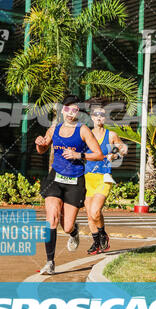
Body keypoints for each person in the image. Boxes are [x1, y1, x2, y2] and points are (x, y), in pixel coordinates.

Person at [35, 94, 103, 275]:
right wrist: (40, 144)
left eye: (74, 110)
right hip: (55, 178)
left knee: (66, 226)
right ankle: (50, 262)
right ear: (61, 110)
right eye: (67, 109)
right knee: (51, 218)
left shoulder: (83, 131)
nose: (70, 113)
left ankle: (73, 232)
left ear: (78, 112)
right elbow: (42, 149)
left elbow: (98, 154)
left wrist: (78, 155)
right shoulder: (54, 128)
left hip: (75, 181)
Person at [84, 99, 128, 254]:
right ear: (91, 117)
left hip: (103, 178)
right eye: (96, 115)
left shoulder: (111, 135)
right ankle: (97, 241)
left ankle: (103, 235)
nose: (99, 118)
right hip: (88, 178)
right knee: (90, 215)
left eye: (102, 115)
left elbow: (124, 148)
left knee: (96, 211)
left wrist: (114, 155)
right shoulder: (86, 134)